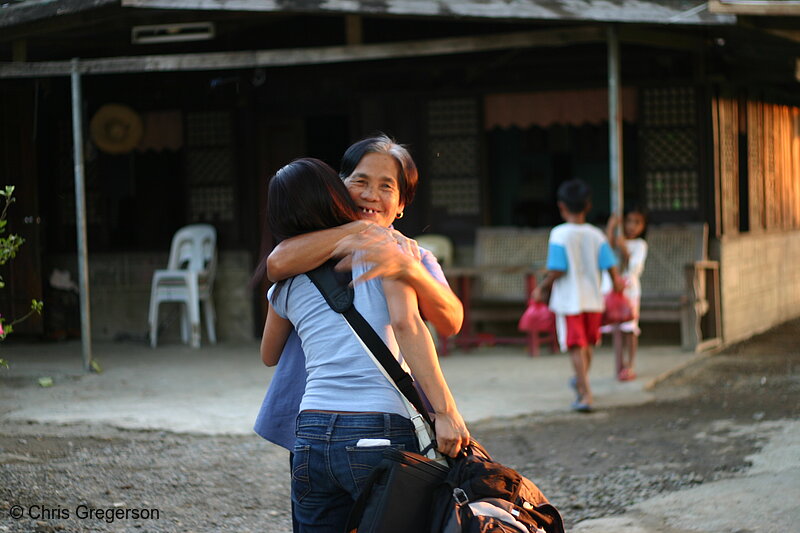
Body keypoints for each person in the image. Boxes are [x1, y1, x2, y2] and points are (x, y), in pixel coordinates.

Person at [260, 158, 469, 532]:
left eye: (386, 186)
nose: (372, 194)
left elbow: (268, 355)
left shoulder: (285, 284)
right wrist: (447, 411)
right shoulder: (387, 254)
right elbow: (407, 325)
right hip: (379, 425)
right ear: (337, 191)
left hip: (309, 431)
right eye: (362, 182)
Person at [533, 179, 623, 412]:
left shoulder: (559, 234)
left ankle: (585, 394)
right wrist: (617, 283)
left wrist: (543, 287)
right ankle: (582, 383)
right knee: (588, 345)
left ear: (561, 206)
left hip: (569, 301)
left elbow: (558, 268)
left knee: (575, 346)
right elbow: (610, 265)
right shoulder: (597, 235)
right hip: (594, 299)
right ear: (588, 205)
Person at [601, 207, 648, 381]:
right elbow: (605, 253)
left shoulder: (640, 245)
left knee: (630, 329)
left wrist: (624, 249)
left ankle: (630, 365)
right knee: (616, 330)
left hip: (630, 293)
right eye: (629, 221)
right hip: (612, 291)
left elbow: (634, 268)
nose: (632, 226)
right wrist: (610, 229)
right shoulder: (613, 242)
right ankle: (618, 366)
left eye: (637, 222)